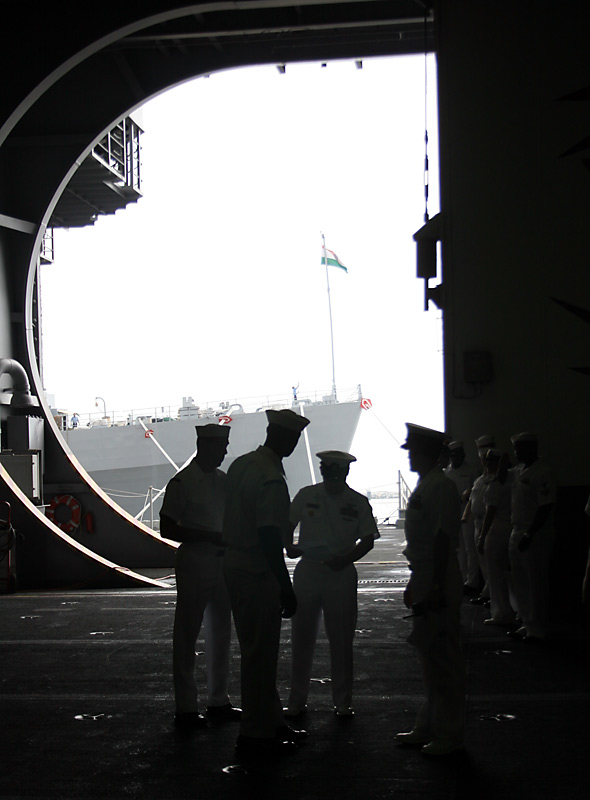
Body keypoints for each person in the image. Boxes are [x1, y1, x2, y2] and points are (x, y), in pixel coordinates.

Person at [222, 408, 310, 760]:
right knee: (261, 655)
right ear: (287, 439)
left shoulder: (242, 464)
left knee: (256, 649)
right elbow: (270, 536)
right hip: (257, 571)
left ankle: (271, 722)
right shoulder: (272, 477)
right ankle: (255, 733)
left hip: (235, 565)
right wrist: (285, 585)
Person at [283, 451, 380, 718]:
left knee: (342, 639)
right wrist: (289, 545)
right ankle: (296, 701)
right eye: (328, 472)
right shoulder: (306, 495)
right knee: (301, 638)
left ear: (346, 474)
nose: (332, 477)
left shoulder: (358, 502)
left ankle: (343, 702)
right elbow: (287, 524)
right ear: (323, 471)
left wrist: (346, 559)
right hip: (309, 571)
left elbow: (368, 539)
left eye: (337, 473)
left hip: (341, 573)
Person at [159, 423, 240, 729]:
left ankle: (219, 700)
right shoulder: (182, 482)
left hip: (222, 562)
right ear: (204, 446)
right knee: (187, 634)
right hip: (195, 560)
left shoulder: (223, 480)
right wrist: (209, 536)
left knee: (221, 632)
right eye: (221, 447)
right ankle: (186, 708)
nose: (225, 452)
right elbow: (168, 528)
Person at [395, 423, 465, 757]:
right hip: (425, 573)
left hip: (437, 576)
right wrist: (417, 581)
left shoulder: (439, 486)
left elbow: (441, 539)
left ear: (426, 453)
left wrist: (435, 586)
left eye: (412, 450)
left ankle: (449, 735)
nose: (409, 454)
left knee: (443, 657)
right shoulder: (427, 484)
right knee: (430, 656)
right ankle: (430, 724)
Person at [507, 432, 556, 641]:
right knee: (519, 580)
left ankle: (537, 626)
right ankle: (526, 622)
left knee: (535, 580)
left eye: (520, 449)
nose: (516, 453)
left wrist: (530, 532)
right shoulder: (518, 470)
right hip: (516, 530)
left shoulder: (543, 472)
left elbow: (546, 506)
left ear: (532, 449)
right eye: (515, 449)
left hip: (535, 532)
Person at [477, 449, 516, 626]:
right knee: (510, 574)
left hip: (496, 531)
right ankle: (516, 610)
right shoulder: (512, 481)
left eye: (490, 462)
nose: (487, 465)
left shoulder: (494, 485)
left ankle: (500, 612)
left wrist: (482, 536)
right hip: (510, 529)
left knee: (495, 574)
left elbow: (490, 513)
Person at [444, 441, 480, 595]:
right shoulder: (447, 472)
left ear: (462, 455)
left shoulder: (471, 470)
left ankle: (472, 581)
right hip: (453, 512)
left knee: (470, 547)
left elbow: (477, 491)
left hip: (468, 512)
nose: (454, 459)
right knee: (457, 548)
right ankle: (460, 578)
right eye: (452, 456)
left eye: (457, 456)